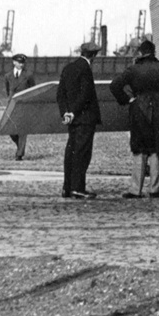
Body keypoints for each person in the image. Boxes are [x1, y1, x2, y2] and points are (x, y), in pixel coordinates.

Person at [112, 39, 159, 199]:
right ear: (154, 52)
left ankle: (135, 189)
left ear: (141, 53)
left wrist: (127, 100)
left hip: (139, 109)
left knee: (140, 150)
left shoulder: (133, 69)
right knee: (157, 149)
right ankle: (155, 189)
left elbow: (115, 85)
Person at [57, 42, 102, 199]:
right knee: (82, 154)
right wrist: (74, 112)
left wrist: (66, 113)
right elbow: (86, 95)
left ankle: (67, 187)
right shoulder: (86, 69)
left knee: (70, 152)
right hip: (85, 119)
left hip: (72, 120)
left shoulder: (68, 68)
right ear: (94, 55)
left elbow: (60, 94)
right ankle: (78, 188)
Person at [3, 53, 36, 160]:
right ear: (14, 62)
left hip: (24, 105)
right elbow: (8, 91)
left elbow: (33, 90)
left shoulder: (29, 75)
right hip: (12, 105)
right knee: (11, 130)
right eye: (19, 62)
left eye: (23, 63)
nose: (21, 65)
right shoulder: (8, 76)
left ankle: (19, 154)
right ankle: (20, 146)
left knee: (22, 130)